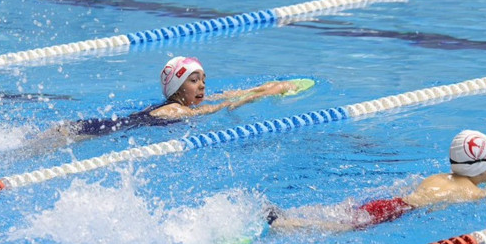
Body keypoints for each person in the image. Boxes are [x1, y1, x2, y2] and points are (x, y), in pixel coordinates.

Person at [268, 130, 486, 232]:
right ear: (481, 166)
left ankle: (289, 217)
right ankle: (288, 225)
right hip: (395, 212)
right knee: (342, 228)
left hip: (389, 203)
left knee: (344, 217)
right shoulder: (471, 193)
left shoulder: (443, 177)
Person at [35, 56, 298, 145]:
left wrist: (269, 88)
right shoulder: (176, 111)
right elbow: (220, 106)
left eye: (203, 79)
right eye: (194, 80)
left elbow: (227, 96)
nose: (202, 85)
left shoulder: (179, 103)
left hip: (95, 127)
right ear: (178, 88)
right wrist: (259, 97)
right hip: (91, 132)